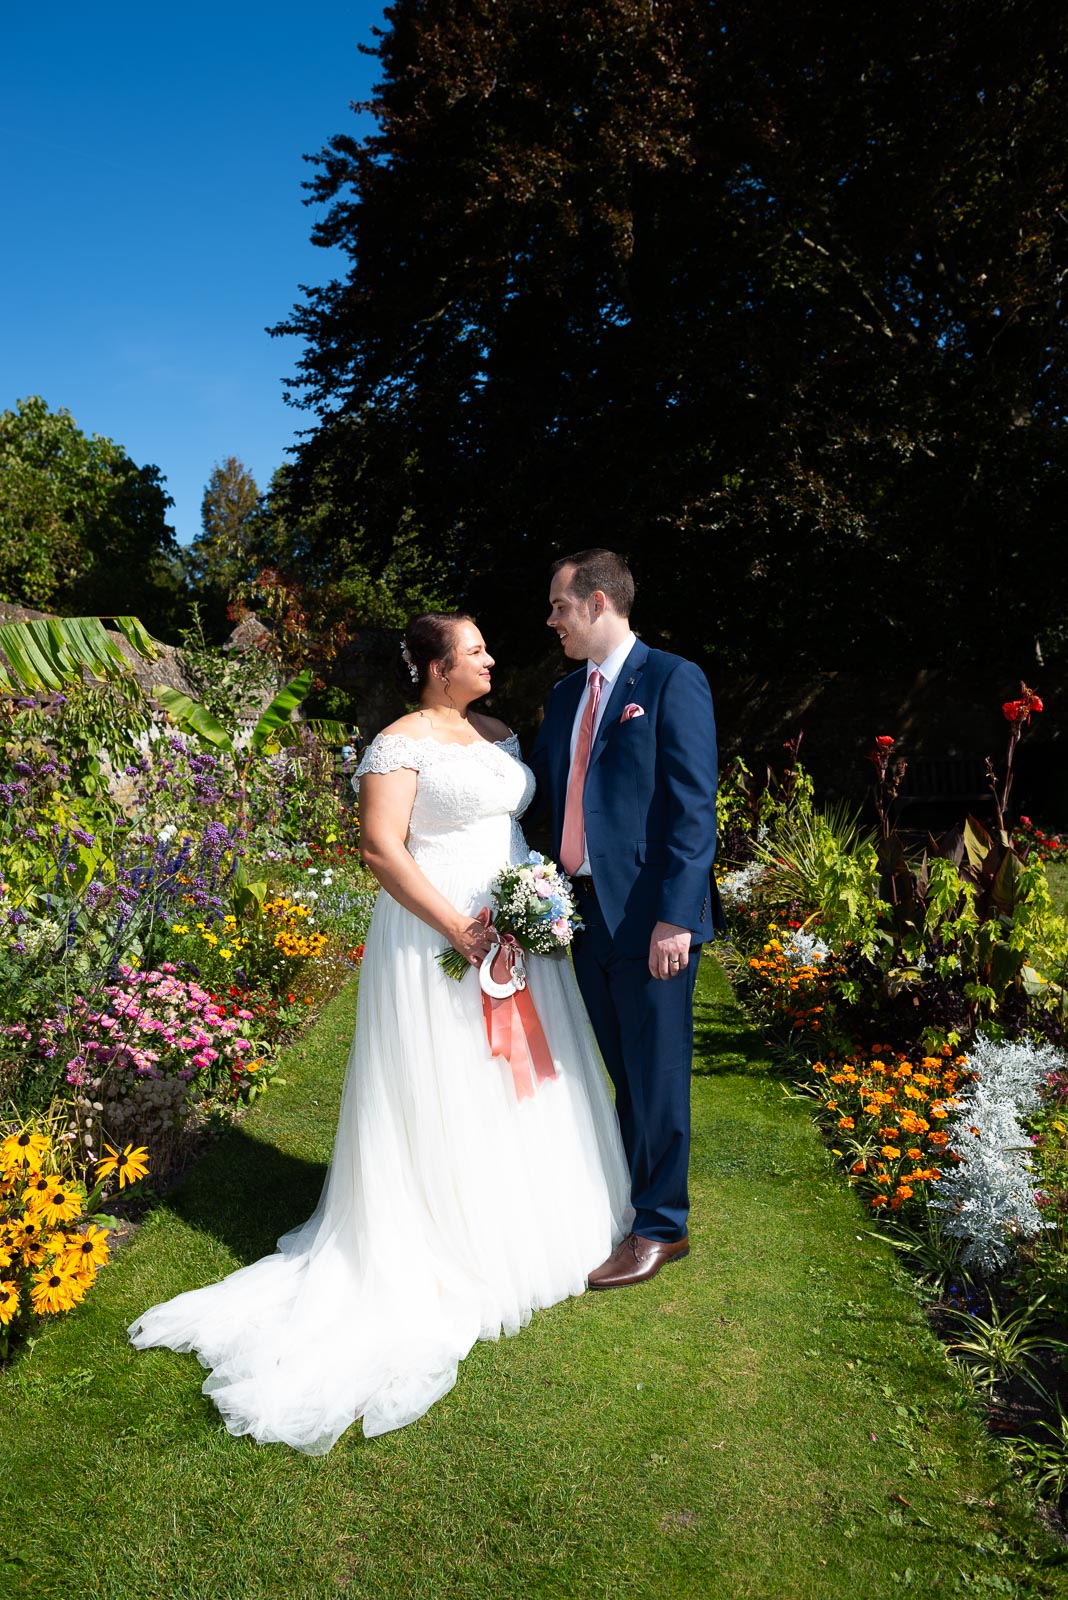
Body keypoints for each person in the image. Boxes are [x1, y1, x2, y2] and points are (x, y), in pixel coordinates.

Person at [129, 612, 631, 1453]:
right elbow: (380, 850)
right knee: (449, 1080)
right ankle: (450, 1233)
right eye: (476, 649)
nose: (491, 657)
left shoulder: (501, 733)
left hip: (516, 926)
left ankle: (533, 1219)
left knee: (521, 1076)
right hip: (439, 929)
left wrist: (527, 904)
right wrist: (461, 930)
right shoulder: (397, 745)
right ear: (436, 668)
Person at [530, 550, 723, 1289]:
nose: (552, 621)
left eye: (560, 607)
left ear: (599, 601)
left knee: (658, 1072)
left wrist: (677, 916)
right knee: (616, 1071)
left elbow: (692, 807)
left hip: (649, 919)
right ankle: (627, 1200)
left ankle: (661, 1228)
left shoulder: (673, 679)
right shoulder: (560, 696)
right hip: (577, 915)